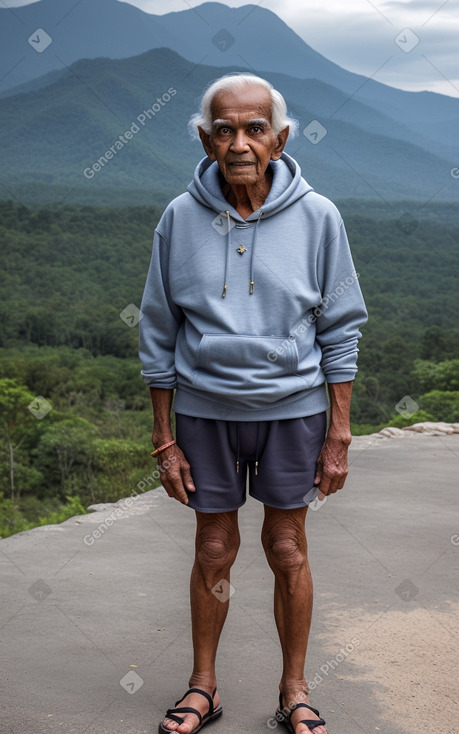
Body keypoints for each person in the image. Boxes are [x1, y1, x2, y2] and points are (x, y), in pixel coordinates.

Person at [139, 72, 367, 734]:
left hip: (293, 414)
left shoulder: (318, 216)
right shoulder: (179, 218)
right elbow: (158, 330)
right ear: (207, 141)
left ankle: (294, 690)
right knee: (213, 547)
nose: (239, 142)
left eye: (254, 128)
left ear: (280, 137)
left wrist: (339, 434)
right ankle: (202, 687)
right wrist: (164, 438)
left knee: (287, 547)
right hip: (204, 413)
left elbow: (340, 326)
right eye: (224, 129)